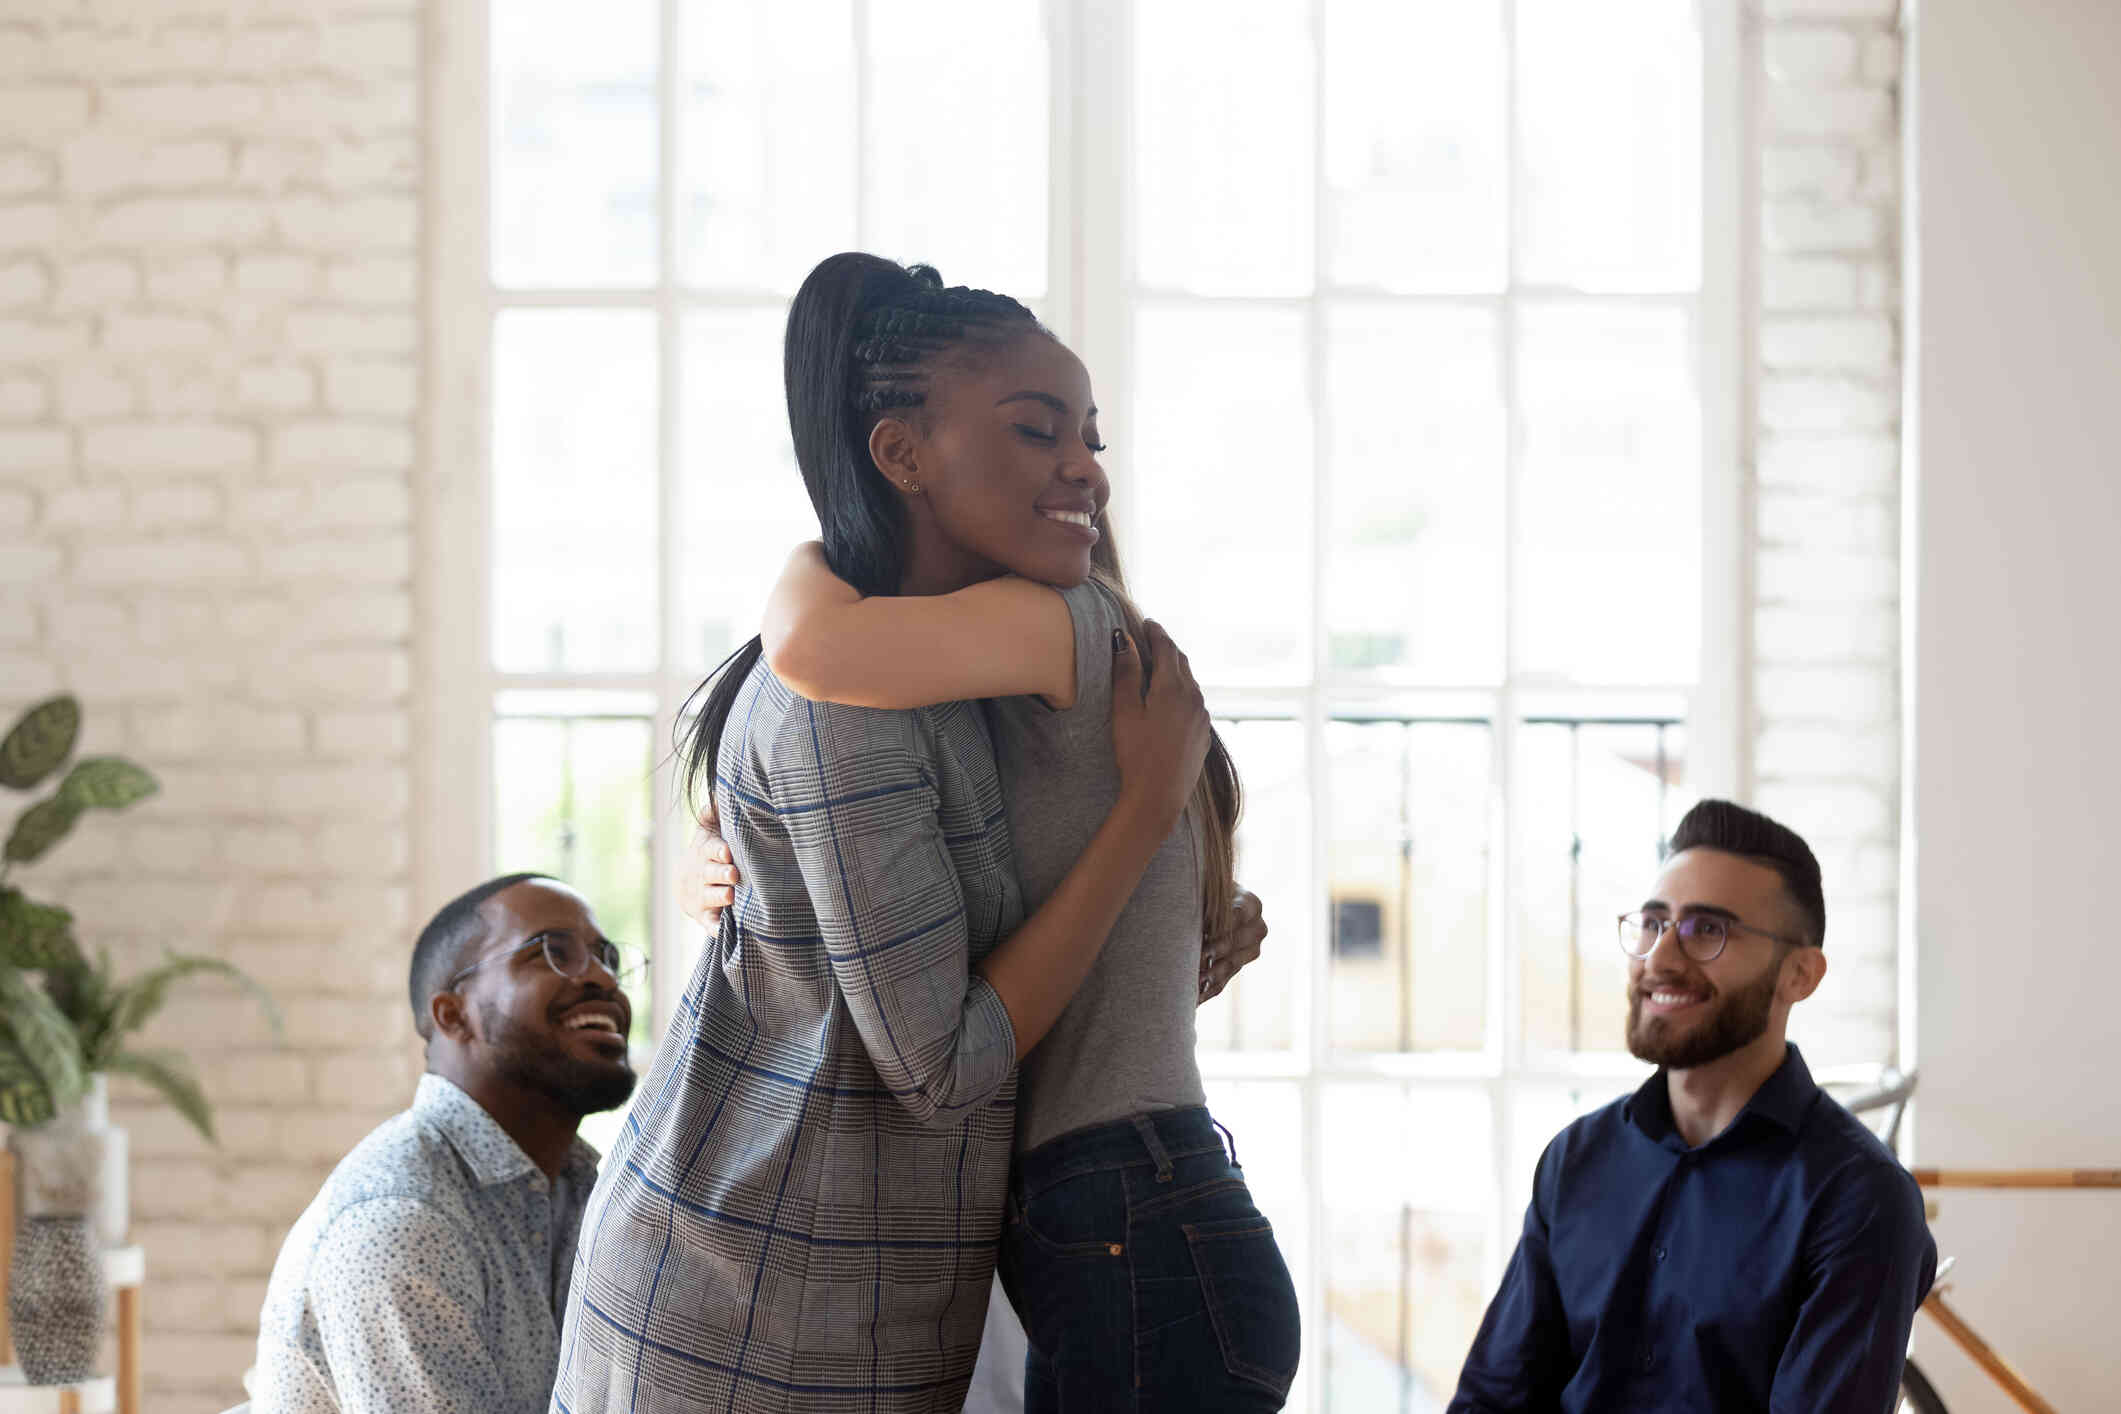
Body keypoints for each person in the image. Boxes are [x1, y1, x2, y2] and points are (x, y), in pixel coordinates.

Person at [552, 254, 1218, 1413]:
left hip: (820, 1269)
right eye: (1034, 430)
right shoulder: (858, 693)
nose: (1085, 469)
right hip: (765, 1294)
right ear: (902, 454)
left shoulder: (967, 666)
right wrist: (1144, 817)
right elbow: (944, 1061)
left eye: (1090, 436)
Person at [754, 432, 1306, 1405]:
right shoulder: (1058, 684)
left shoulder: (1057, 624)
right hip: (1141, 1211)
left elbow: (813, 649)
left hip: (1133, 1218)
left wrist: (817, 553)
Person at [679, 822, 1275, 1414]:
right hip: (953, 1222)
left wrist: (1189, 907)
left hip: (1077, 1221)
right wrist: (702, 863)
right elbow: (727, 818)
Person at [1448, 799, 1936, 1414]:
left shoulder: (1859, 1199)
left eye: (1708, 930)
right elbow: (1492, 1401)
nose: (1660, 958)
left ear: (1799, 975)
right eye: (1653, 924)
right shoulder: (1576, 1159)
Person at [253, 874, 637, 1413]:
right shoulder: (401, 1222)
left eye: (606, 956)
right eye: (552, 952)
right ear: (453, 1016)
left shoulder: (589, 1191)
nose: (602, 977)